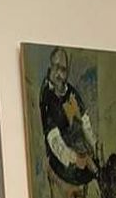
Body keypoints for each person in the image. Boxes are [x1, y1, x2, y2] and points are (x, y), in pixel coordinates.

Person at [40, 46, 98, 186]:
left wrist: (94, 144)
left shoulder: (70, 91)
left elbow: (85, 121)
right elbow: (54, 140)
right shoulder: (47, 97)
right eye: (56, 68)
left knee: (96, 163)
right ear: (50, 68)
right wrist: (74, 158)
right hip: (62, 160)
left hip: (79, 147)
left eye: (63, 70)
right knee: (86, 172)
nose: (59, 74)